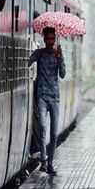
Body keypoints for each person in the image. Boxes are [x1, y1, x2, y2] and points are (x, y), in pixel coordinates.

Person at [29, 27, 66, 175]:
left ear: (55, 40)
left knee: (54, 133)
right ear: (44, 40)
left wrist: (61, 58)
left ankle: (50, 164)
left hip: (55, 98)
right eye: (48, 39)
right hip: (42, 97)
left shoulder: (58, 55)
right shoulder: (39, 53)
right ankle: (43, 160)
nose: (51, 42)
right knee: (43, 127)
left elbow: (63, 74)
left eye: (53, 39)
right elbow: (28, 62)